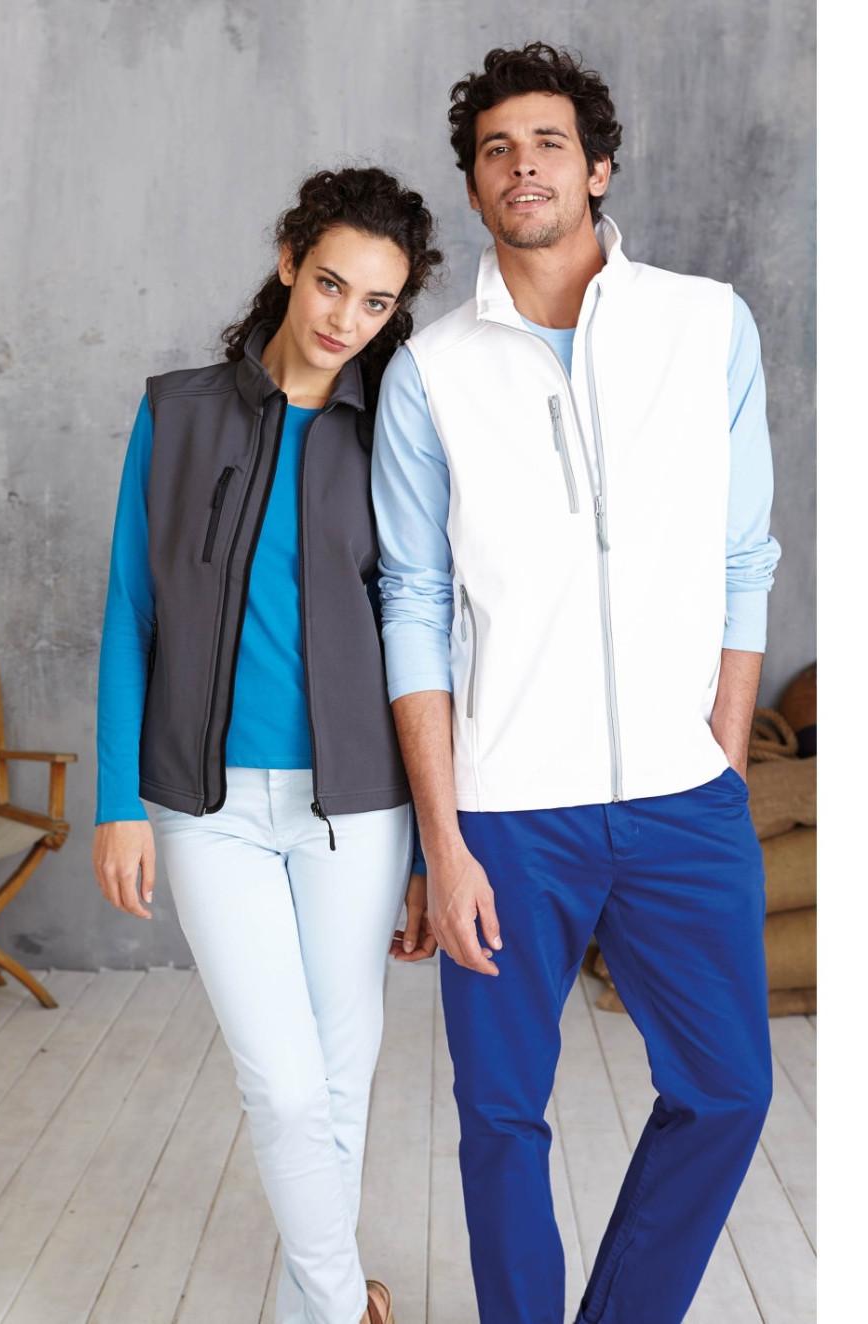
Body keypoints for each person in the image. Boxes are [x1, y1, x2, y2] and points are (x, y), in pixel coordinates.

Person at [371, 42, 781, 1324]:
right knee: (500, 1115)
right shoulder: (430, 370)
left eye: (548, 143)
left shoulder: (705, 323)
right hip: (505, 813)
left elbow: (743, 558)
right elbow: (413, 604)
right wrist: (442, 839)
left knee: (728, 1089)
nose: (522, 166)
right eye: (496, 150)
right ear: (473, 186)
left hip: (682, 796)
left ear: (597, 167)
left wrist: (719, 753)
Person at [92, 166, 442, 1324]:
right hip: (204, 807)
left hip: (360, 806)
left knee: (338, 1084)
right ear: (290, 261)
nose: (346, 318)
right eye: (331, 283)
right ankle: (346, 1308)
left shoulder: (396, 431)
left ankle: (313, 1311)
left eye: (377, 302)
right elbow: (130, 612)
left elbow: (422, 624)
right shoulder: (177, 412)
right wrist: (118, 801)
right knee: (285, 1088)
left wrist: (428, 850)